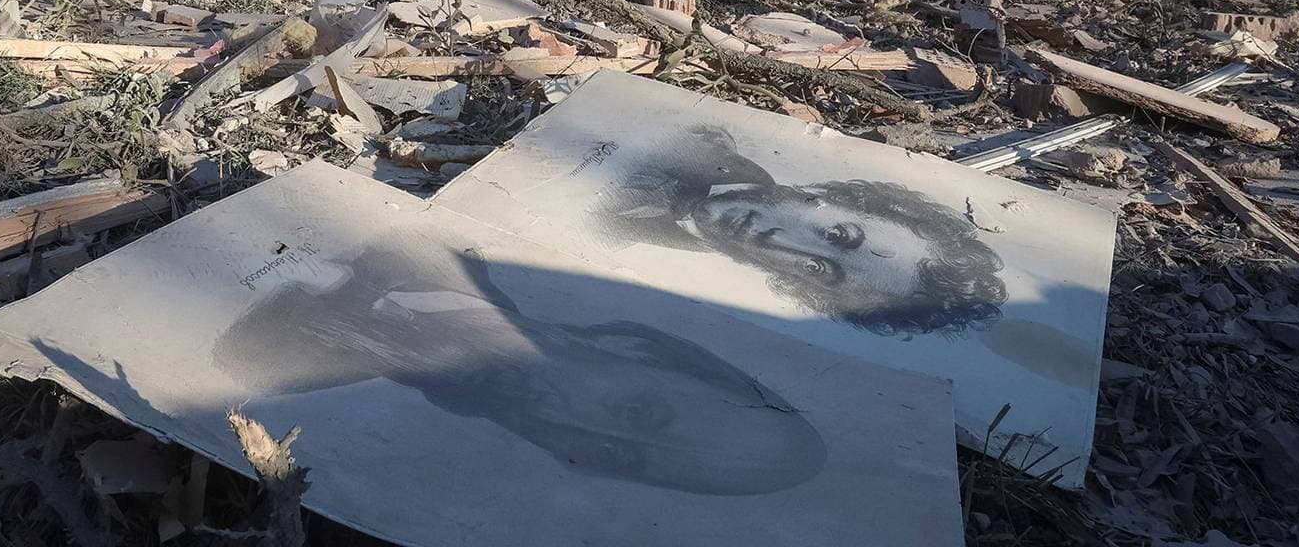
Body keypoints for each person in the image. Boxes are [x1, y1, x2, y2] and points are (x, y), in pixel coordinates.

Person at [213, 241, 826, 496]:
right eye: (635, 412)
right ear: (641, 352)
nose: (573, 431)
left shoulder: (269, 371)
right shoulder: (438, 247)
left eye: (616, 456)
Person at [593, 130, 1007, 337]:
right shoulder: (702, 139)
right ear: (838, 198)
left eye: (818, 269)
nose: (778, 241)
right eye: (839, 235)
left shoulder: (645, 264)